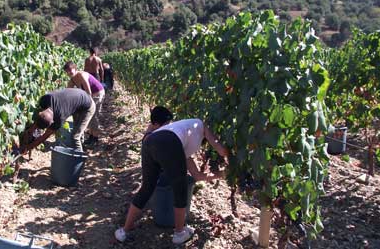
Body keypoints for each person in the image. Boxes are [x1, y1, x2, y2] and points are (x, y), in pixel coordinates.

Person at [115, 109, 230, 245]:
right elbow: (222, 150)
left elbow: (197, 176)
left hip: (149, 142)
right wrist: (234, 161)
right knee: (180, 189)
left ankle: (124, 231)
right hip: (168, 142)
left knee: (147, 187)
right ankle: (180, 233)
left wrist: (222, 174)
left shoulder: (182, 134)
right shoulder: (201, 124)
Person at [19, 88, 95, 153]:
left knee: (75, 136)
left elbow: (44, 137)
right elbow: (37, 122)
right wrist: (29, 131)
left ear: (52, 122)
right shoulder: (45, 99)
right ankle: (79, 148)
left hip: (87, 107)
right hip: (78, 99)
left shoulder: (59, 119)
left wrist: (28, 148)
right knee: (78, 129)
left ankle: (77, 160)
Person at [63, 61, 105, 144]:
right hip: (90, 95)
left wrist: (87, 104)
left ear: (75, 69)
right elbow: (67, 93)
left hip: (98, 93)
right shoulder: (72, 80)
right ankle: (91, 136)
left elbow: (88, 91)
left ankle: (95, 137)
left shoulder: (82, 75)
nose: (69, 72)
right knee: (88, 115)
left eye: (70, 70)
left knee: (93, 114)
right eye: (67, 71)